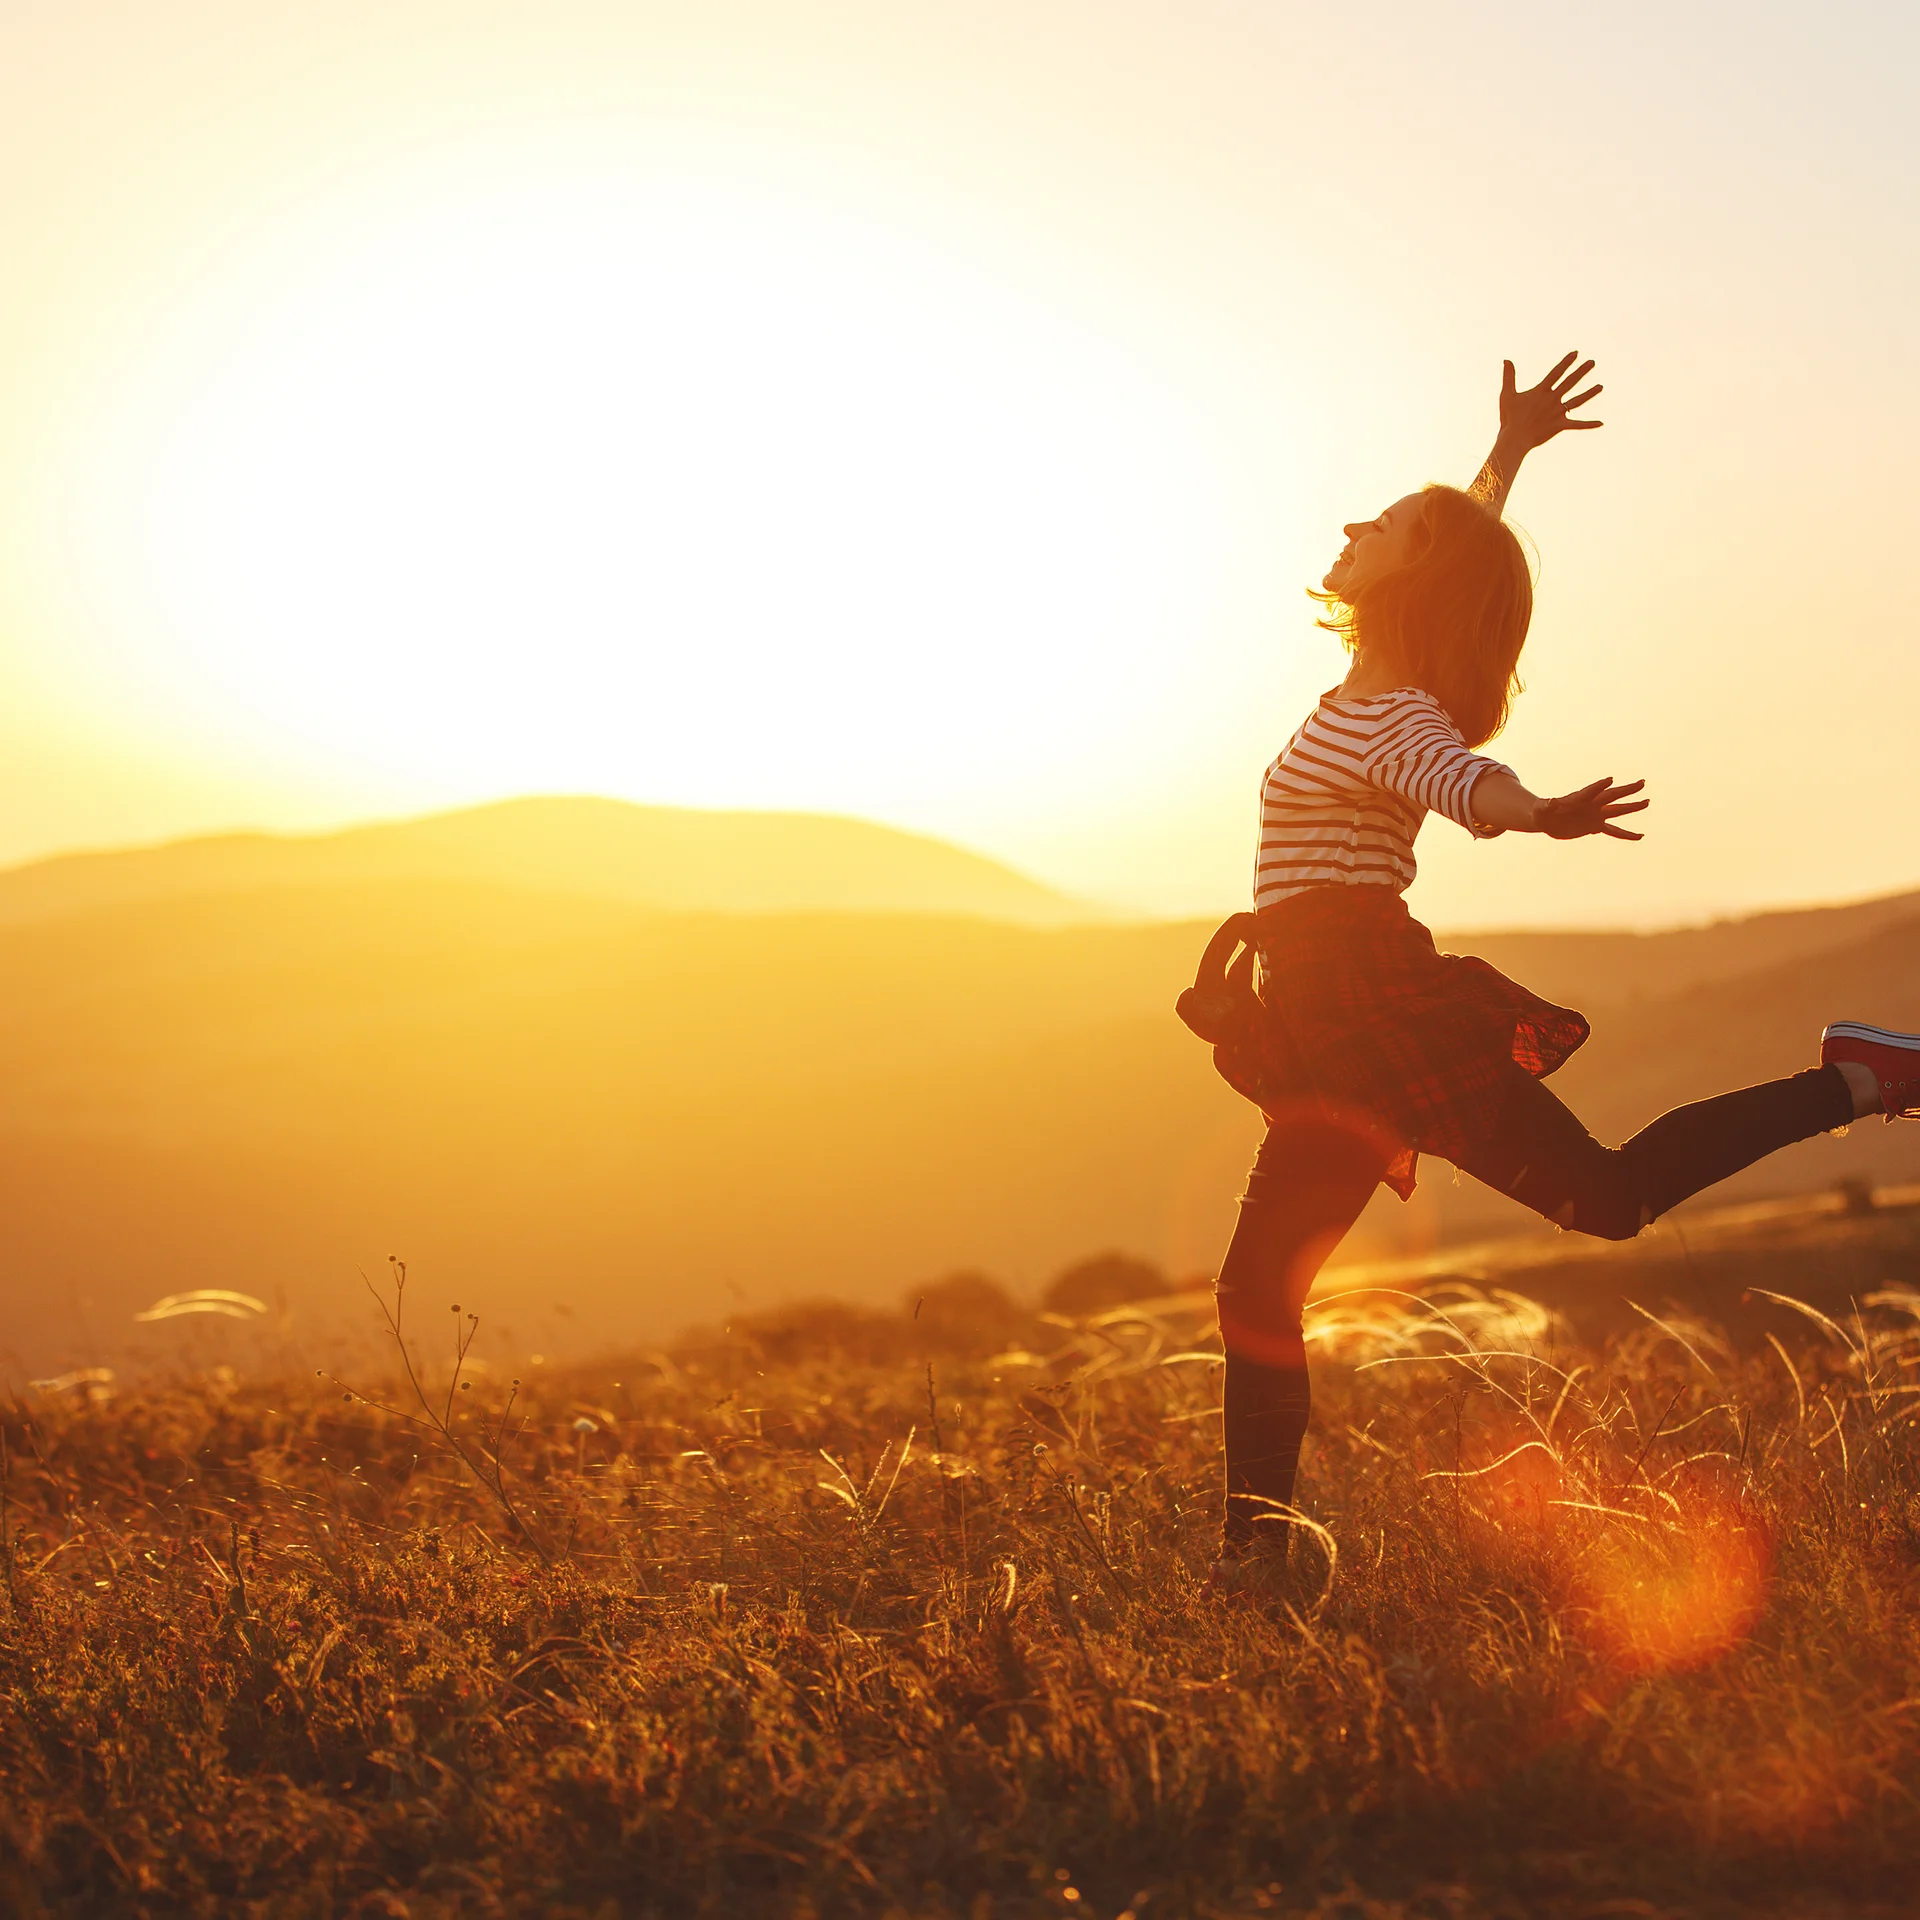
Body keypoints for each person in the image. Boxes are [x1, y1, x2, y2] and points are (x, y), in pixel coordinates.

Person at [1182, 352, 1920, 1590]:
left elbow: (1464, 782)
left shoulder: (1392, 715)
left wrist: (1539, 813)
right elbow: (1459, 552)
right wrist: (1507, 455)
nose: (1358, 524)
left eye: (1389, 523)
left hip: (1370, 1012)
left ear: (1409, 571)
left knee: (1607, 1201)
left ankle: (1858, 1082)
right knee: (1258, 1284)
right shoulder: (1371, 684)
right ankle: (1255, 1557)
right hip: (1320, 1022)